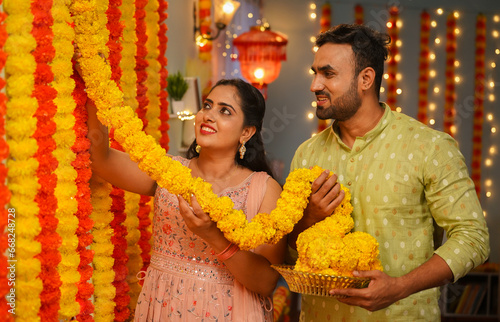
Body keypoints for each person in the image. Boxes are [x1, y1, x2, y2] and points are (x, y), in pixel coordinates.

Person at [287, 24, 490, 321]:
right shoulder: (307, 154)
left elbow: (473, 237)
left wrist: (399, 287)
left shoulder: (428, 147)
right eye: (315, 73)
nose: (315, 85)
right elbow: (288, 251)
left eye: (328, 74)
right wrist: (307, 219)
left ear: (366, 78)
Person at [85, 77, 285, 321]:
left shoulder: (264, 189)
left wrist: (214, 236)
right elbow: (101, 160)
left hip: (225, 312)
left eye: (225, 111)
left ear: (247, 132)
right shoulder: (168, 170)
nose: (208, 115)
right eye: (207, 105)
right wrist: (96, 87)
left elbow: (266, 282)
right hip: (161, 305)